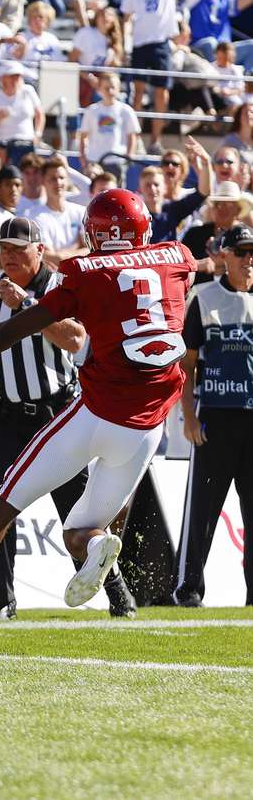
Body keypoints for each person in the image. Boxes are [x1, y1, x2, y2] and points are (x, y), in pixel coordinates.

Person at [0, 189, 196, 637]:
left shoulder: (81, 272)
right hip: (146, 430)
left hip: (94, 414)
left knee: (2, 505)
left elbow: (10, 333)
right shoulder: (179, 259)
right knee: (78, 532)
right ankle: (97, 547)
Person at [174, 223, 253, 607]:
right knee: (203, 506)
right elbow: (186, 365)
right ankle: (188, 588)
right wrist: (188, 416)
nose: (249, 260)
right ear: (223, 256)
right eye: (241, 252)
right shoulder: (203, 299)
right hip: (215, 418)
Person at [121, 0, 176, 153]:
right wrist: (125, 44)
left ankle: (155, 141)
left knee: (162, 93)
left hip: (161, 44)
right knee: (138, 93)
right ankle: (135, 140)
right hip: (139, 45)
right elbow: (126, 18)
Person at [25, 156, 86, 264]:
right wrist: (77, 246)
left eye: (62, 178)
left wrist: (61, 254)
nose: (58, 182)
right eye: (53, 179)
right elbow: (54, 258)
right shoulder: (34, 217)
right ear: (43, 181)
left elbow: (91, 250)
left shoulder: (81, 211)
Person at [78, 71, 141, 176]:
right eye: (106, 88)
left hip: (117, 161)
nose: (110, 91)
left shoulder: (126, 110)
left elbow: (132, 135)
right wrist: (84, 159)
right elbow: (83, 136)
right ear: (99, 89)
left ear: (118, 88)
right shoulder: (91, 110)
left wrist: (129, 156)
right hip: (94, 160)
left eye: (113, 87)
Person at [0, 60, 43, 167]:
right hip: (3, 145)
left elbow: (40, 115)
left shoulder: (28, 91)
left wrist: (37, 134)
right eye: (12, 76)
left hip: (27, 142)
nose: (16, 79)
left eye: (18, 76)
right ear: (4, 77)